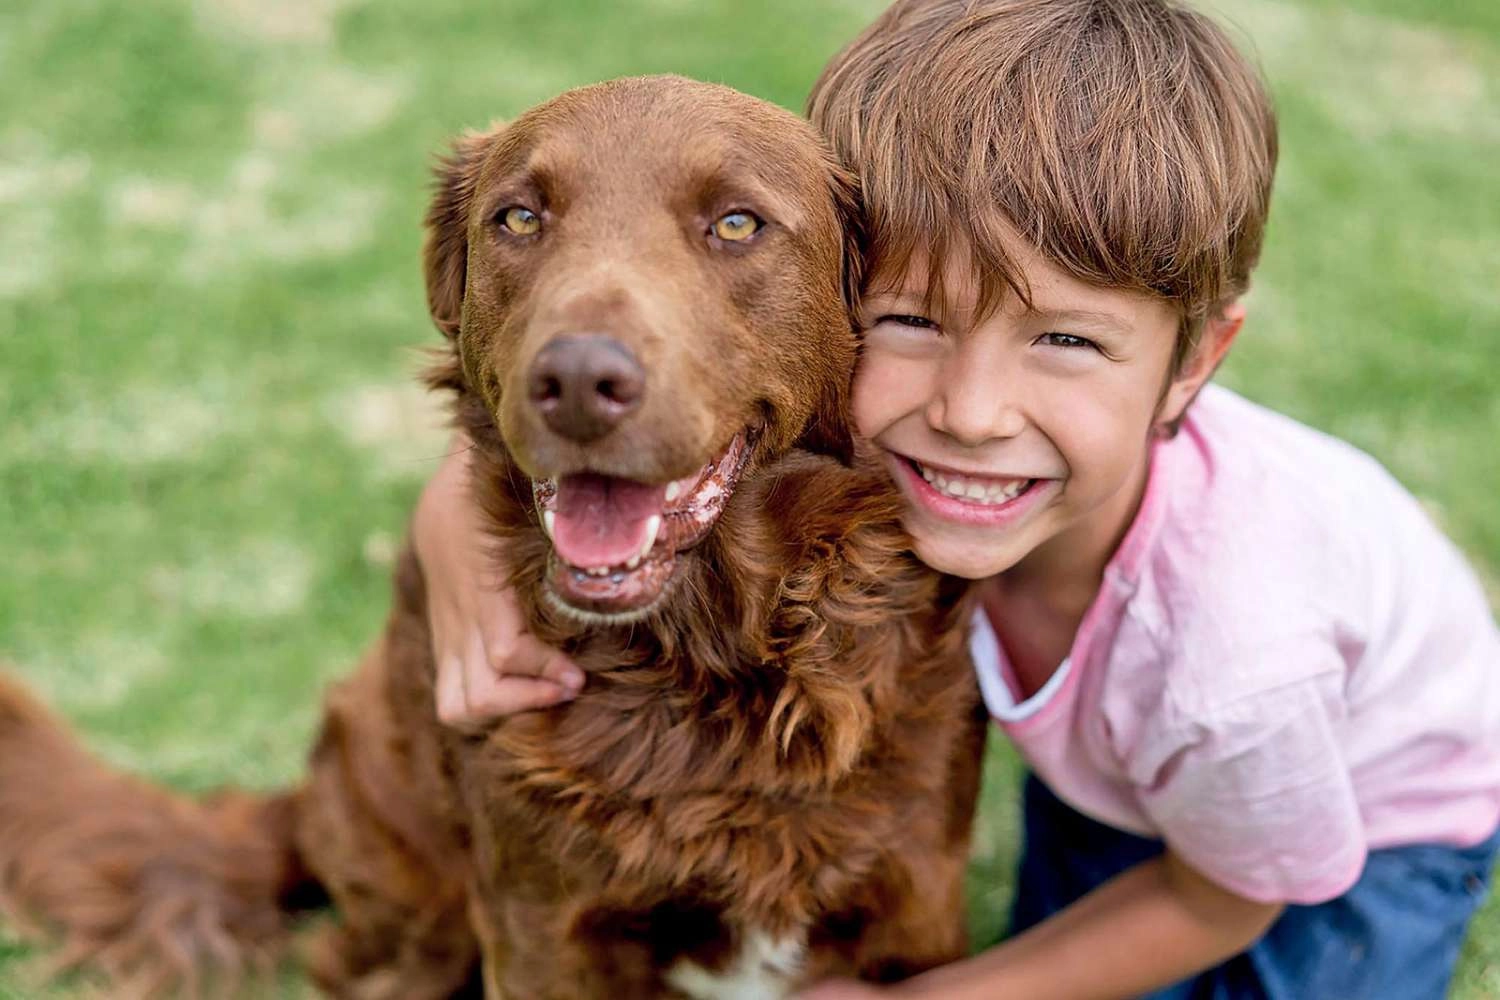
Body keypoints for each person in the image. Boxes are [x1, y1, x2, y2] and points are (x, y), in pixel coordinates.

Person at [411, 0, 1500, 995]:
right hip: (1130, 770)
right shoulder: (936, 472)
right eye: (913, 323)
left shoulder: (1229, 653)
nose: (973, 413)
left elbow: (1231, 888)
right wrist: (455, 513)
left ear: (1192, 366)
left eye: (1066, 340)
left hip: (1369, 814)